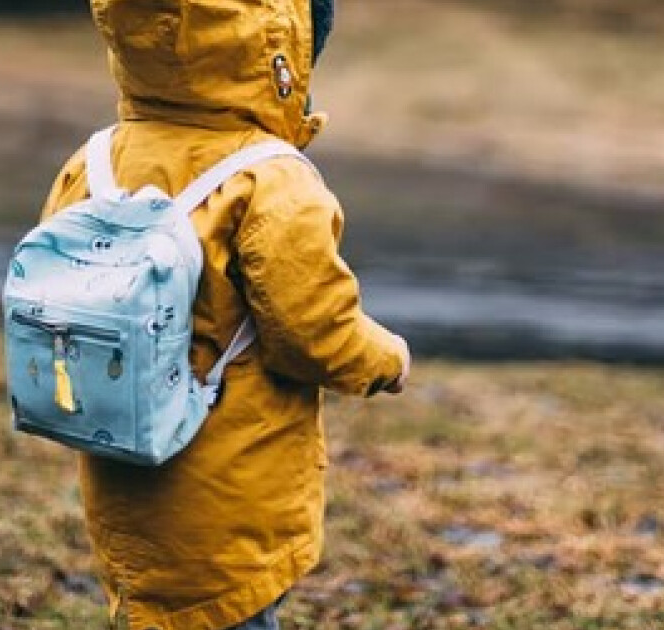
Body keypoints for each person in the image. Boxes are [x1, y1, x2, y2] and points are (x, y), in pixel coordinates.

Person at [37, 1, 411, 628]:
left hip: (120, 464)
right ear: (280, 60)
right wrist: (387, 359)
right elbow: (315, 333)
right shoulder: (270, 182)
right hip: (232, 490)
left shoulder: (96, 161)